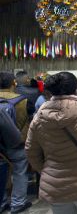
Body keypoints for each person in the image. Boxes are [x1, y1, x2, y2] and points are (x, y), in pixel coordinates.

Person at [25, 72, 77, 214]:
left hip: (55, 187)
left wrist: (46, 170)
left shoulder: (38, 118)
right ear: (76, 90)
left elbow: (31, 151)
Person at [0, 71, 31, 214]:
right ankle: (18, 203)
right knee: (20, 171)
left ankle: (2, 201)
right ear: (14, 83)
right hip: (18, 143)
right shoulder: (23, 100)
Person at [0, 109, 22, 213]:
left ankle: (3, 202)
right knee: (20, 166)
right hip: (5, 152)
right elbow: (15, 138)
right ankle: (18, 203)